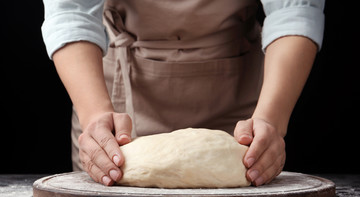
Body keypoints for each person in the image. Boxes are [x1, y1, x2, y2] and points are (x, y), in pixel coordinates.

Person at [41, 0, 325, 186]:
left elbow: (294, 10)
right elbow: (71, 10)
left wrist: (271, 119)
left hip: (240, 102)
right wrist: (95, 114)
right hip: (113, 99)